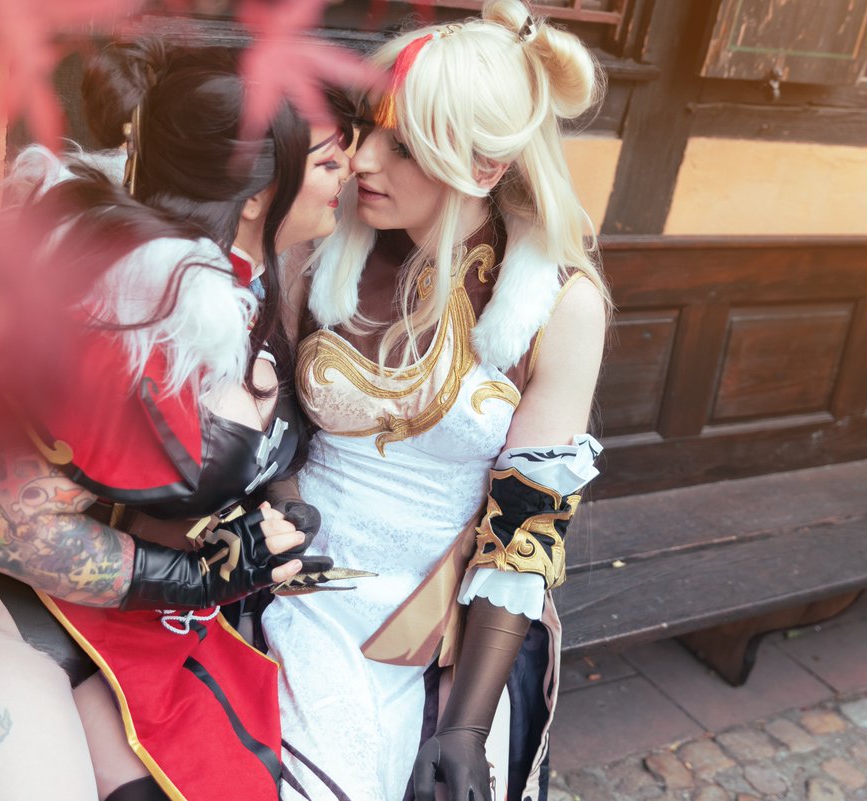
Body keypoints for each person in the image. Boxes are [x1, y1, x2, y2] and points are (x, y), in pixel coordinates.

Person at [0, 40, 352, 801]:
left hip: (134, 630)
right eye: (330, 161)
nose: (352, 174)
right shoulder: (121, 306)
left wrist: (272, 518)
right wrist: (199, 576)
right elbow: (4, 528)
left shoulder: (259, 278)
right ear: (256, 195)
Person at [259, 3, 609, 800]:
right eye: (365, 129)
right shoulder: (316, 248)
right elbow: (267, 423)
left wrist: (465, 727)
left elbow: (524, 531)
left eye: (404, 146)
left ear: (484, 165)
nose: (361, 159)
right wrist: (277, 527)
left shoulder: (559, 305)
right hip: (295, 594)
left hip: (448, 620)